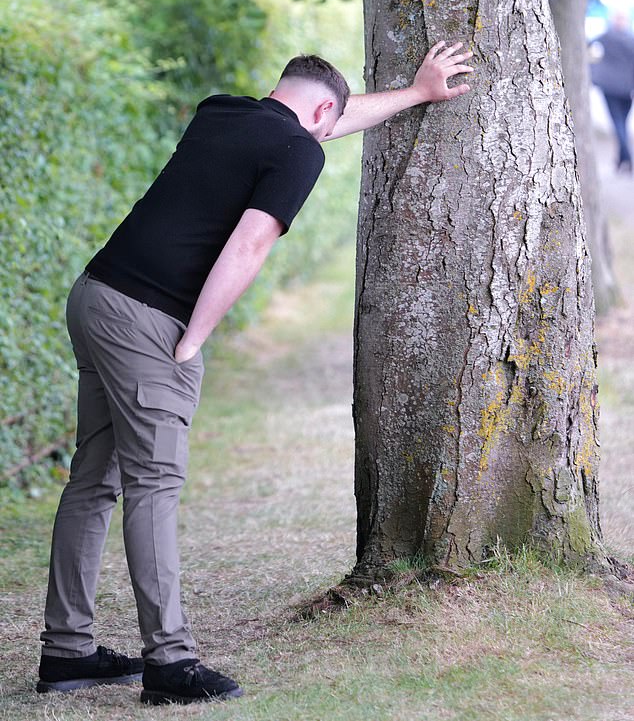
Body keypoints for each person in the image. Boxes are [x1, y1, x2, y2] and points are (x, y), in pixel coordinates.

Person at [37, 40, 473, 705]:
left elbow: (328, 115)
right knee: (153, 481)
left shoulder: (224, 113)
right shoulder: (302, 150)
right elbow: (250, 243)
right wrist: (194, 340)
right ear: (322, 110)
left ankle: (67, 650)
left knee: (95, 478)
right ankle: (171, 663)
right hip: (150, 318)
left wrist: (417, 93)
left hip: (96, 294)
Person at [590, 12, 634, 173]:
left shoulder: (607, 36)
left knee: (618, 124)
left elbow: (588, 45)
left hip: (609, 86)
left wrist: (594, 70)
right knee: (622, 123)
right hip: (627, 88)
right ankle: (621, 159)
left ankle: (627, 157)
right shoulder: (631, 40)